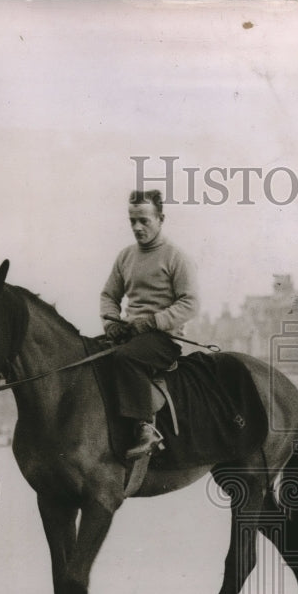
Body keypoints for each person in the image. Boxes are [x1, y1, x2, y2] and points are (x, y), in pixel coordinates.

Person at [101, 189, 199, 459]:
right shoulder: (125, 257)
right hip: (132, 335)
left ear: (161, 218)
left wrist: (152, 322)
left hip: (164, 340)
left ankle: (146, 428)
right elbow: (109, 296)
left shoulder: (176, 257)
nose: (137, 227)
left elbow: (190, 303)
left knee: (125, 359)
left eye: (144, 220)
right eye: (132, 221)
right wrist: (111, 324)